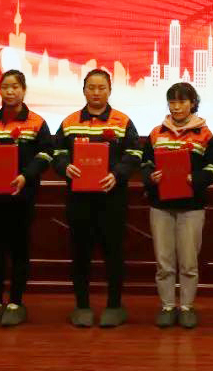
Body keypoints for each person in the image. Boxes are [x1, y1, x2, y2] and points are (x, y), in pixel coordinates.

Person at [51, 68, 142, 328]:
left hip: (111, 198)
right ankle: (82, 306)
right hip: (79, 200)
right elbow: (56, 152)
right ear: (84, 90)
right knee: (80, 253)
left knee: (114, 252)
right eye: (91, 87)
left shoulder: (122, 122)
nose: (96, 92)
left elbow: (135, 154)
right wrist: (65, 167)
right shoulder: (70, 122)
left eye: (102, 88)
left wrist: (118, 174)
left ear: (110, 91)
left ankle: (114, 306)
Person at [0, 69, 53, 327]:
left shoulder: (36, 123)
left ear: (23, 90)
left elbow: (45, 155)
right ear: (0, 90)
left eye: (15, 87)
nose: (10, 91)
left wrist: (26, 176)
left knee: (19, 249)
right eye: (5, 87)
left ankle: (15, 302)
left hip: (21, 196)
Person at [141, 82, 213, 330]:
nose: (176, 107)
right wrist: (151, 177)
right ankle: (167, 306)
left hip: (191, 207)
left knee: (188, 262)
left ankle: (186, 307)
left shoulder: (204, 134)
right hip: (160, 206)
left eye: (182, 101)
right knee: (164, 261)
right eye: (172, 102)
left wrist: (195, 179)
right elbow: (145, 164)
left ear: (193, 103)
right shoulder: (156, 133)